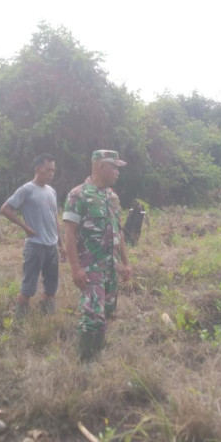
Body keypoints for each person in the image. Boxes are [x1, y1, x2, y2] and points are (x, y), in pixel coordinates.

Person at [62, 150, 132, 362]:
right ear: (101, 166)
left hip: (111, 267)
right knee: (92, 316)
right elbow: (70, 233)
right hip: (91, 269)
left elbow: (118, 230)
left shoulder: (111, 196)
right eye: (114, 167)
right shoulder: (78, 195)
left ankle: (99, 354)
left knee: (107, 313)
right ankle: (85, 363)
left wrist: (126, 263)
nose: (117, 172)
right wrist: (75, 268)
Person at [0, 154, 65, 319]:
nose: (51, 173)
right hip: (35, 246)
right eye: (48, 169)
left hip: (51, 247)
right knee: (28, 288)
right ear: (37, 169)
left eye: (53, 170)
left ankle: (47, 317)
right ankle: (20, 320)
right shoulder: (26, 189)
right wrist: (25, 227)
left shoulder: (51, 191)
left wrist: (61, 244)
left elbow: (54, 218)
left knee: (51, 287)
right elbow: (5, 209)